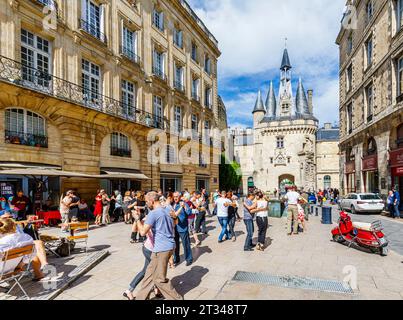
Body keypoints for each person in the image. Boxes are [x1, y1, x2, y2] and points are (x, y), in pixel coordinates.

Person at [135, 191, 183, 300]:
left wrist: (137, 219)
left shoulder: (153, 213)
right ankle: (141, 297)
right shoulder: (168, 208)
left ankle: (176, 298)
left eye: (147, 201)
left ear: (152, 201)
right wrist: (175, 217)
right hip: (170, 245)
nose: (146, 204)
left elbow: (142, 232)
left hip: (161, 249)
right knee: (149, 275)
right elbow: (175, 223)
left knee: (159, 279)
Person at [172, 192, 193, 267]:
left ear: (180, 197)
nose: (175, 198)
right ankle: (176, 258)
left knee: (186, 244)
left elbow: (189, 213)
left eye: (177, 196)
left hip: (183, 228)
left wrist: (184, 207)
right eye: (174, 196)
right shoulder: (173, 204)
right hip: (174, 228)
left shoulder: (183, 203)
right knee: (175, 244)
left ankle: (189, 259)